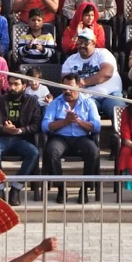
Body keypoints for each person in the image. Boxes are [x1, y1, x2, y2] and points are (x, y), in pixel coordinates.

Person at [0, 74, 44, 205]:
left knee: (34, 152)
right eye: (10, 84)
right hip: (1, 137)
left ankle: (16, 188)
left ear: (24, 86)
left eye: (16, 84)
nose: (12, 87)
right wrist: (3, 129)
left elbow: (36, 125)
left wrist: (20, 130)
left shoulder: (32, 102)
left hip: (22, 139)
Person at [42, 73, 101, 203]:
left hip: (82, 138)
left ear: (79, 86)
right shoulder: (56, 103)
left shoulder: (88, 103)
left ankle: (84, 189)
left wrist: (78, 121)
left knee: (93, 151)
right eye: (64, 88)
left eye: (70, 87)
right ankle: (61, 189)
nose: (67, 91)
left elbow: (96, 126)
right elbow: (45, 126)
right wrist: (64, 122)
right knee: (51, 151)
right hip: (60, 138)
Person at [61, 27, 122, 116]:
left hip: (111, 95)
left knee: (120, 112)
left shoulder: (103, 53)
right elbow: (65, 81)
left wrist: (84, 82)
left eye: (86, 43)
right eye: (80, 42)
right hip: (87, 98)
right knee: (82, 113)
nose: (82, 45)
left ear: (93, 43)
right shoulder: (70, 60)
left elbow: (107, 73)